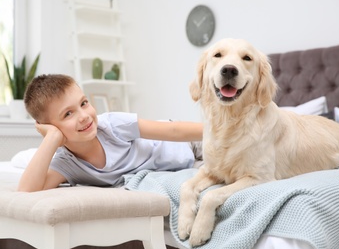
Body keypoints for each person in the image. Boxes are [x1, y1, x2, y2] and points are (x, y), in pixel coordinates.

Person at [18, 74, 203, 192]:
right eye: (68, 114)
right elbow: (26, 190)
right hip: (187, 165)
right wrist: (51, 137)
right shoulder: (68, 164)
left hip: (187, 143)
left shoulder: (112, 125)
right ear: (50, 127)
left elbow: (173, 130)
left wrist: (216, 133)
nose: (84, 116)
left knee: (230, 149)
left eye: (83, 103)